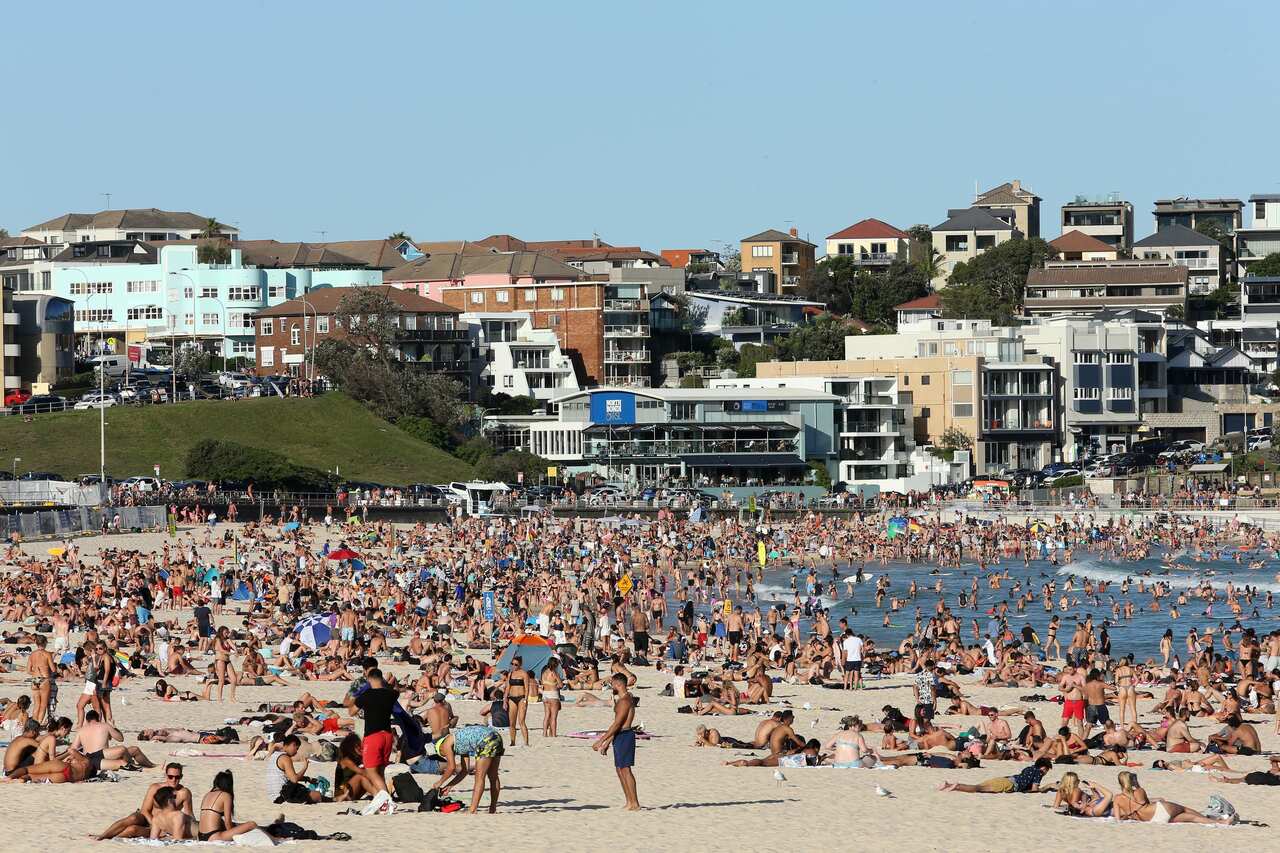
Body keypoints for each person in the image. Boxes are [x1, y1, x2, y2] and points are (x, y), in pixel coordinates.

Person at [93, 762, 192, 840]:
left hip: (164, 825)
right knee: (133, 818)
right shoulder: (155, 788)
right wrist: (155, 823)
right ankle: (103, 835)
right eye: (170, 777)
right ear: (166, 776)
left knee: (133, 829)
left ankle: (110, 838)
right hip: (148, 819)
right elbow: (145, 810)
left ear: (181, 777)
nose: (173, 780)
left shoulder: (184, 793)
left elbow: (189, 815)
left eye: (177, 777)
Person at [1112, 770, 1236, 824]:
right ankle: (1219, 820)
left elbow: (1118, 819)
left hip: (1155, 820)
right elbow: (1146, 802)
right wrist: (1137, 784)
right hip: (1161, 809)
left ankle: (1222, 822)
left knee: (1191, 819)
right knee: (1186, 810)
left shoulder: (1117, 799)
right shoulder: (1139, 791)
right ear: (1131, 781)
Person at [433, 725, 505, 814]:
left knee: (479, 778)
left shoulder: (446, 744)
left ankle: (472, 810)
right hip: (496, 736)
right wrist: (449, 786)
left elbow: (451, 767)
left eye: (444, 755)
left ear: (441, 748)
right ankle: (492, 808)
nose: (447, 755)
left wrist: (439, 782)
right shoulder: (461, 744)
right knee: (493, 776)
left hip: (486, 740)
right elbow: (465, 770)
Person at [593, 673, 640, 810]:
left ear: (618, 684)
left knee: (625, 769)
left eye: (612, 683)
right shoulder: (624, 699)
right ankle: (629, 802)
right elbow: (617, 725)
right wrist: (608, 742)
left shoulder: (625, 701)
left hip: (625, 735)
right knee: (620, 770)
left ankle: (634, 802)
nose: (610, 686)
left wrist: (601, 740)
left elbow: (617, 724)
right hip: (620, 735)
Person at [352, 668, 397, 796]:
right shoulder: (391, 694)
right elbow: (394, 690)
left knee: (371, 770)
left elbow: (352, 711)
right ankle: (380, 796)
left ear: (369, 679)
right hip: (388, 735)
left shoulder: (366, 695)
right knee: (381, 769)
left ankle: (386, 798)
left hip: (373, 735)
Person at [198, 770, 259, 842]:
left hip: (200, 836)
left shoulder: (207, 794)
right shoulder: (226, 795)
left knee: (222, 821)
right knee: (252, 824)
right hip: (213, 837)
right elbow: (228, 822)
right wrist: (231, 833)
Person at [938, 757, 1052, 793]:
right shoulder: (1039, 772)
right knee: (978, 789)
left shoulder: (1030, 768)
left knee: (979, 786)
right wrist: (1046, 788)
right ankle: (956, 786)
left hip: (1006, 779)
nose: (1045, 773)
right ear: (1044, 768)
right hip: (1009, 784)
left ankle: (948, 785)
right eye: (1047, 770)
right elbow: (1034, 789)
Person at [502, 655, 533, 747]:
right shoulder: (510, 674)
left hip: (521, 698)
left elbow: (527, 688)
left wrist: (526, 700)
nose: (514, 666)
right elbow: (508, 687)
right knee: (511, 722)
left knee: (521, 721)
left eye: (516, 664)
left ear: (520, 664)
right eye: (512, 664)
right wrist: (504, 700)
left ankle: (526, 742)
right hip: (512, 698)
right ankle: (512, 741)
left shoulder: (524, 674)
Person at [334, 733, 373, 802]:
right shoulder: (346, 760)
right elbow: (362, 772)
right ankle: (378, 794)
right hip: (342, 792)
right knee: (360, 776)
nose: (360, 747)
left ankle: (381, 792)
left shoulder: (357, 759)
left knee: (371, 773)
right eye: (358, 745)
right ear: (351, 747)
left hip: (352, 790)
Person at [1214, 754, 1280, 785]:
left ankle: (1226, 780)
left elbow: (1274, 760)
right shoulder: (1275, 772)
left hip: (1265, 777)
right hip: (1268, 777)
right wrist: (1274, 760)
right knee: (1244, 779)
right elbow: (1274, 766)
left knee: (1244, 779)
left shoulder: (1275, 773)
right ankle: (1227, 780)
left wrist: (1274, 759)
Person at [541, 657, 563, 738]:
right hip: (553, 694)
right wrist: (556, 685)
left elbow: (543, 683)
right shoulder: (554, 673)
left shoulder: (544, 672)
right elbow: (561, 685)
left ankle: (544, 733)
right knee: (553, 717)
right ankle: (553, 734)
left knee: (547, 715)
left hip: (545, 694)